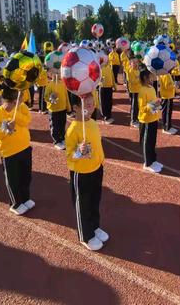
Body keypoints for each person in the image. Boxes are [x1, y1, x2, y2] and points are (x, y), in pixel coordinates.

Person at [65, 93, 107, 252]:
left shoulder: (93, 123)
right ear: (76, 108)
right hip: (81, 173)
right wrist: (78, 151)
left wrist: (101, 161)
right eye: (87, 105)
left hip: (96, 169)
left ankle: (95, 226)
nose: (91, 107)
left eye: (92, 104)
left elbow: (98, 145)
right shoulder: (73, 130)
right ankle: (85, 235)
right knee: (82, 204)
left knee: (95, 200)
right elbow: (70, 156)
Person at [0, 86, 34, 216]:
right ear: (5, 100)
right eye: (15, 100)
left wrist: (16, 115)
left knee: (25, 177)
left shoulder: (21, 107)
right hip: (9, 153)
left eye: (19, 99)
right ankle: (16, 203)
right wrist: (5, 129)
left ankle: (25, 198)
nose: (18, 102)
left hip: (25, 148)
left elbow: (27, 121)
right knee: (13, 179)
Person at [138, 67, 162, 173]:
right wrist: (153, 104)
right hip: (146, 121)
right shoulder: (142, 91)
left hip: (153, 118)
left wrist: (157, 104)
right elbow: (142, 108)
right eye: (150, 76)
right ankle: (147, 163)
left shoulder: (151, 88)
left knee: (153, 141)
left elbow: (152, 103)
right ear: (145, 77)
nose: (152, 78)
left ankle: (153, 160)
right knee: (146, 142)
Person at [44, 70, 71, 150]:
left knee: (62, 125)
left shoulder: (63, 84)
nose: (57, 75)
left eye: (59, 73)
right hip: (53, 110)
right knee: (55, 126)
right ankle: (57, 141)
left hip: (62, 109)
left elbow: (66, 96)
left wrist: (68, 108)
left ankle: (62, 138)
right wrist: (51, 97)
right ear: (50, 74)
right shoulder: (49, 85)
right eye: (54, 73)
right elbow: (46, 97)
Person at [124, 57, 141, 127]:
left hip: (139, 90)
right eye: (134, 63)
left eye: (136, 62)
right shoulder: (130, 71)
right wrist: (139, 78)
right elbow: (132, 82)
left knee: (137, 106)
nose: (136, 64)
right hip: (134, 91)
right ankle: (133, 121)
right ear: (130, 64)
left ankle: (136, 118)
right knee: (134, 106)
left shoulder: (138, 70)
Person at [99, 59, 116, 124]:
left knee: (109, 102)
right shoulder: (100, 68)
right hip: (103, 87)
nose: (107, 61)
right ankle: (105, 116)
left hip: (109, 87)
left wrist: (114, 86)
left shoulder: (109, 67)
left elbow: (112, 77)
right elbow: (98, 78)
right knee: (103, 103)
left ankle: (109, 115)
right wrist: (100, 81)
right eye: (105, 60)